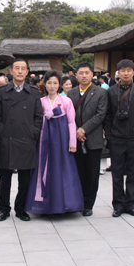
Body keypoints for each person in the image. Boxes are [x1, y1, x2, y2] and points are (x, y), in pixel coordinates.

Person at [25, 71, 84, 215]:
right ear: (44, 84)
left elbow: (71, 122)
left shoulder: (66, 101)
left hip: (62, 140)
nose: (52, 86)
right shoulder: (41, 101)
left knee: (63, 169)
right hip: (44, 140)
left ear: (60, 85)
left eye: (55, 83)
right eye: (49, 83)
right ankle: (46, 204)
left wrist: (72, 143)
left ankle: (65, 204)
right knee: (44, 169)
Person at [0, 59, 43, 222]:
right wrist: (1, 131)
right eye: (17, 68)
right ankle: (4, 209)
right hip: (7, 139)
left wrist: (33, 132)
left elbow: (38, 116)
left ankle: (21, 208)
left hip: (26, 140)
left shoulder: (34, 93)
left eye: (23, 69)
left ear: (27, 72)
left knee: (25, 179)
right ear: (11, 71)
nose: (20, 71)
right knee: (4, 178)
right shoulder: (0, 92)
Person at [104, 60, 134, 218]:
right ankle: (117, 204)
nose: (125, 73)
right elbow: (108, 115)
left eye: (128, 70)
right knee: (117, 173)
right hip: (117, 138)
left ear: (133, 73)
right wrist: (109, 135)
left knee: (133, 173)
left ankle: (130, 204)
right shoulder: (111, 91)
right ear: (118, 73)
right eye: (122, 70)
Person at [66, 62, 108, 216]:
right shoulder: (71, 93)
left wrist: (83, 129)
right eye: (81, 73)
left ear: (92, 75)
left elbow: (100, 115)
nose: (84, 76)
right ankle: (78, 202)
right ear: (75, 75)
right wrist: (77, 131)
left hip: (93, 139)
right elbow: (69, 115)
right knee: (78, 172)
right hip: (75, 139)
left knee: (92, 173)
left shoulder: (101, 93)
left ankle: (89, 204)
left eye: (87, 73)